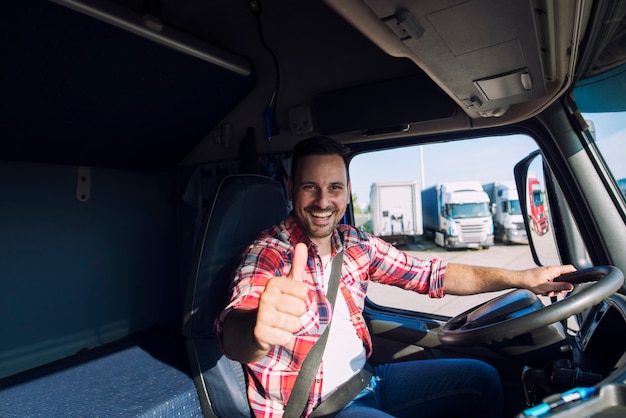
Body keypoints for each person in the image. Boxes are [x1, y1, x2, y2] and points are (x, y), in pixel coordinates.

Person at [215, 136, 575, 418]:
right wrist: (256, 331)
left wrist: (524, 278)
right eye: (310, 187)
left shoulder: (354, 243)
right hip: (317, 409)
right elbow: (234, 331)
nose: (323, 201)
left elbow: (433, 274)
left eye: (335, 188)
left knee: (484, 379)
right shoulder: (268, 252)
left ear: (348, 190)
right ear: (291, 187)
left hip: (368, 380)